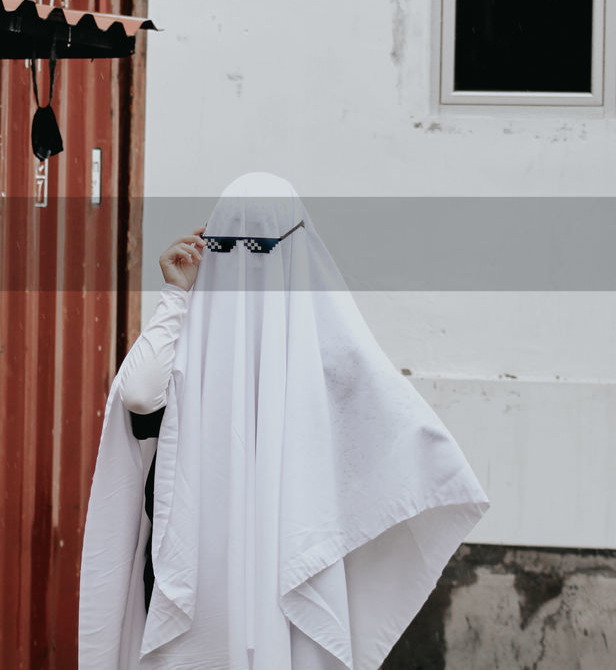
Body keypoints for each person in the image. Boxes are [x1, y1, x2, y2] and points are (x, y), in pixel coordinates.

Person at [78, 172, 489, 670]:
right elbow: (140, 393)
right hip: (211, 588)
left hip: (250, 580)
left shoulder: (319, 353)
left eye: (259, 246)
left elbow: (391, 432)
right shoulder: (189, 342)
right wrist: (175, 295)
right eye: (228, 246)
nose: (246, 264)